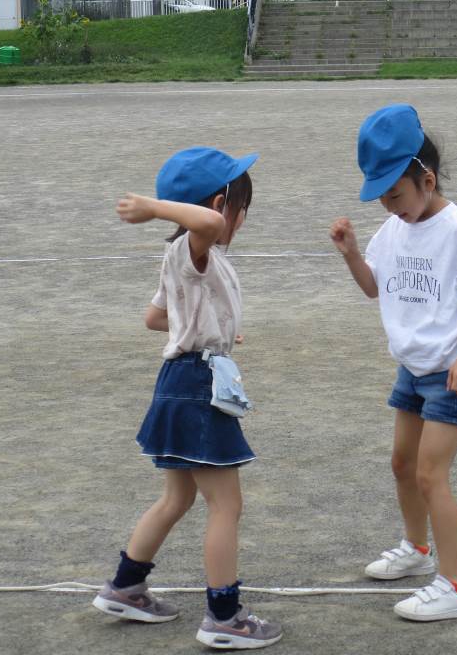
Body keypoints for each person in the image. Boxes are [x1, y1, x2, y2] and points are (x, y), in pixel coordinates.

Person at [95, 147, 283, 650]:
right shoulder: (193, 247)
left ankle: (126, 586)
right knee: (226, 504)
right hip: (196, 387)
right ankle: (224, 614)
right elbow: (206, 223)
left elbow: (154, 317)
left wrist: (213, 327)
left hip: (180, 380)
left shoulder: (191, 258)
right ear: (222, 206)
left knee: (177, 496)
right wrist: (157, 207)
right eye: (240, 210)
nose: (238, 222)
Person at [330, 104, 457, 622]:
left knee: (432, 477)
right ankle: (417, 548)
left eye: (396, 194)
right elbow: (372, 288)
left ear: (426, 178)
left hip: (449, 374)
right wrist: (351, 254)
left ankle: (455, 587)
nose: (389, 206)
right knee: (402, 466)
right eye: (382, 197)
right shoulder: (394, 229)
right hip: (411, 369)